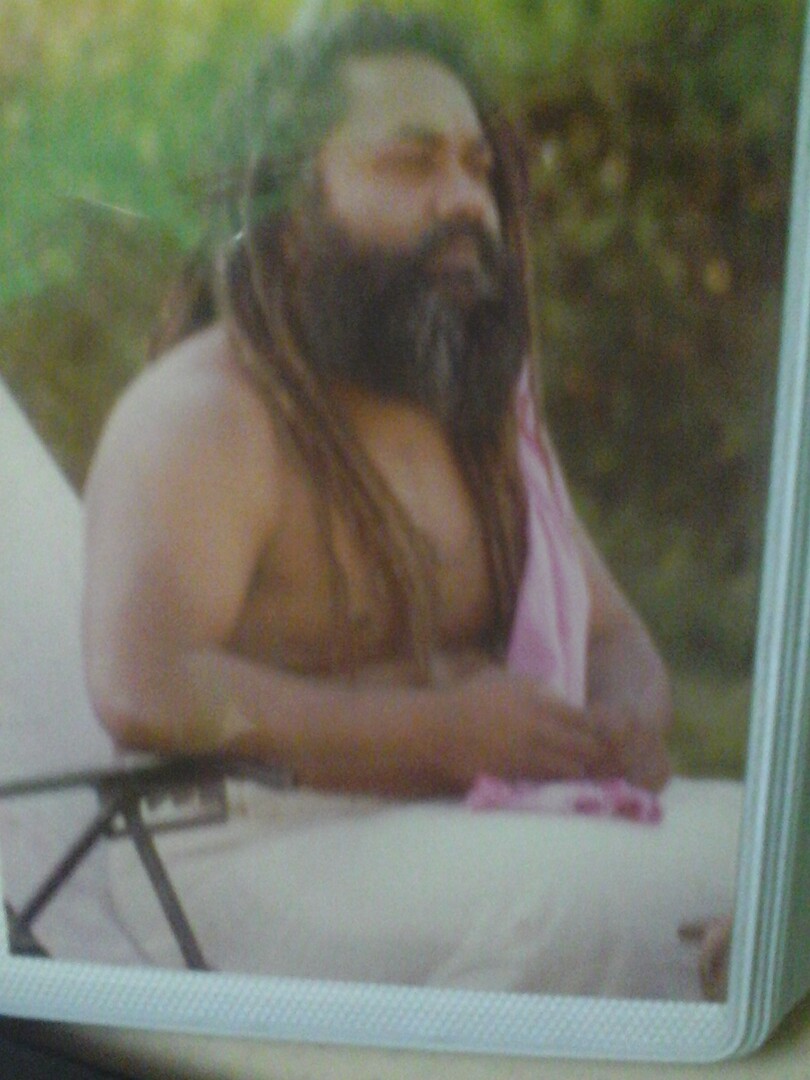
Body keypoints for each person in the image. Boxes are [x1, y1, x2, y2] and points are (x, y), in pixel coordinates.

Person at [81, 5, 741, 997]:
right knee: (593, 920)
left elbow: (611, 636)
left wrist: (623, 721)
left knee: (767, 857)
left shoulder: (479, 417)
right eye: (413, 161)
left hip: (473, 821)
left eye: (477, 165)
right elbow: (145, 685)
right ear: (289, 212)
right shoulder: (202, 415)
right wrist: (437, 734)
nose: (466, 197)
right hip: (245, 851)